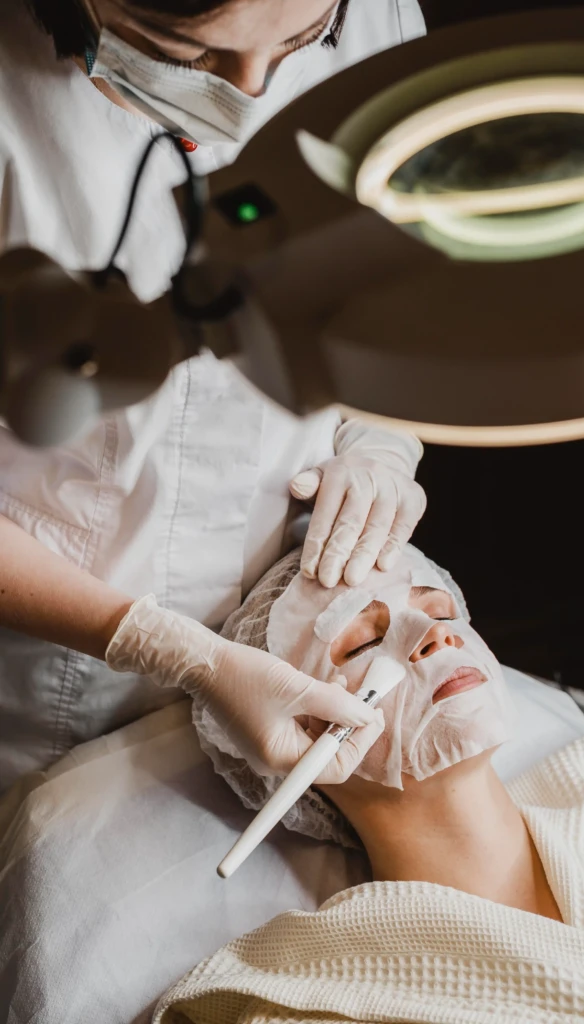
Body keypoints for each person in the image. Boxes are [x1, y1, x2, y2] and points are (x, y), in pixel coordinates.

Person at [0, 0, 428, 792]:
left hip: (281, 624)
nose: (254, 90)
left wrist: (379, 441)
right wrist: (172, 649)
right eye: (187, 53)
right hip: (39, 686)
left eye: (306, 40)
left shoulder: (382, 18)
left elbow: (384, 291)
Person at [158, 544, 584, 1023]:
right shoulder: (311, 1001)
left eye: (441, 611)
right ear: (295, 739)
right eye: (364, 642)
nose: (436, 635)